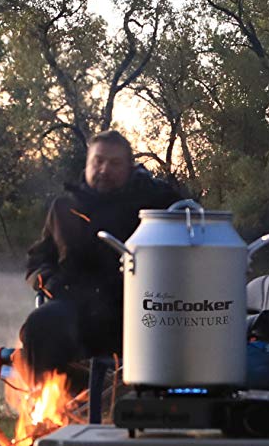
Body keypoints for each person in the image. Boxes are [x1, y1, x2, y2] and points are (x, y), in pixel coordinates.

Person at [19, 130, 186, 371]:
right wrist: (51, 283)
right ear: (87, 163)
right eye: (98, 161)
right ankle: (53, 407)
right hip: (75, 307)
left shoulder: (157, 203)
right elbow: (38, 260)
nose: (104, 170)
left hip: (137, 310)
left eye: (115, 163)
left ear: (130, 167)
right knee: (40, 324)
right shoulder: (65, 207)